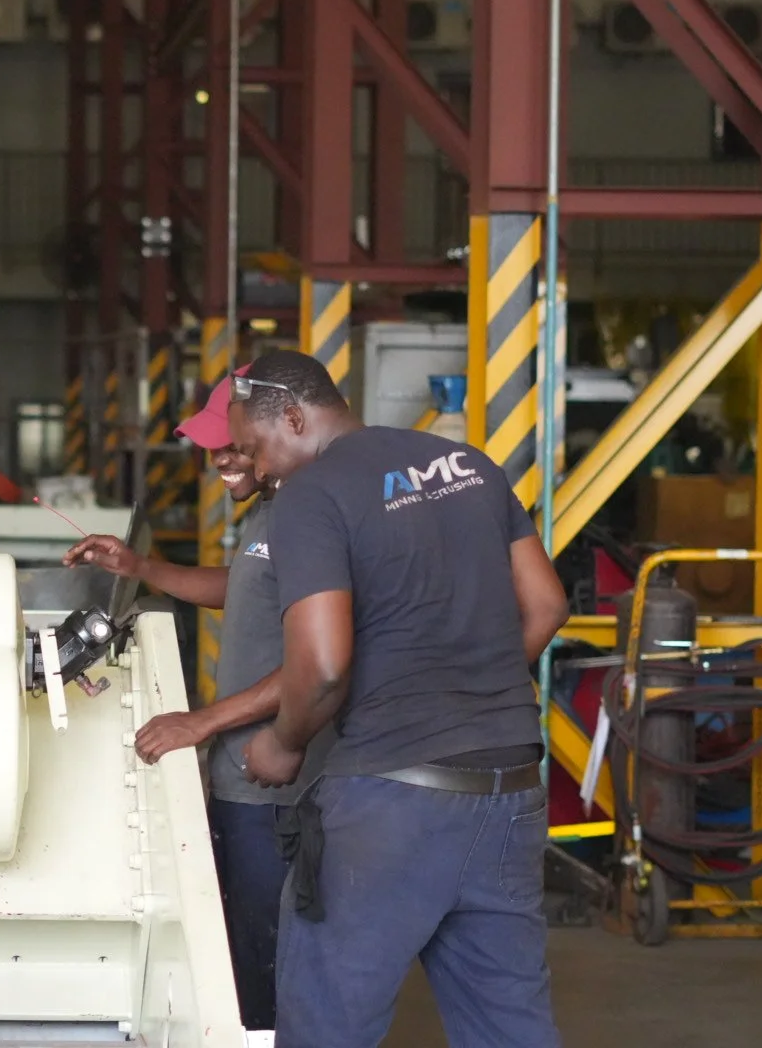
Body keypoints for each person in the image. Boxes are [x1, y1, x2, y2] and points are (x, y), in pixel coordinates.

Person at [227, 349, 570, 1048]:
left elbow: (322, 665)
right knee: (508, 1023)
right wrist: (468, 690)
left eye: (256, 449)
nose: (258, 470)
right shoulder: (468, 465)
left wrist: (283, 743)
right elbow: (546, 606)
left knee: (326, 1021)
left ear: (292, 418)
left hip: (391, 803)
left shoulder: (312, 497)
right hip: (509, 792)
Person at [62, 370, 328, 1033]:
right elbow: (245, 588)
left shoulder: (312, 511)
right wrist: (142, 569)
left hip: (275, 779)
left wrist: (201, 722)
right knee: (245, 945)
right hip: (241, 774)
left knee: (272, 958)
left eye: (234, 448)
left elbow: (317, 662)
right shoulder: (270, 510)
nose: (223, 463)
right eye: (217, 449)